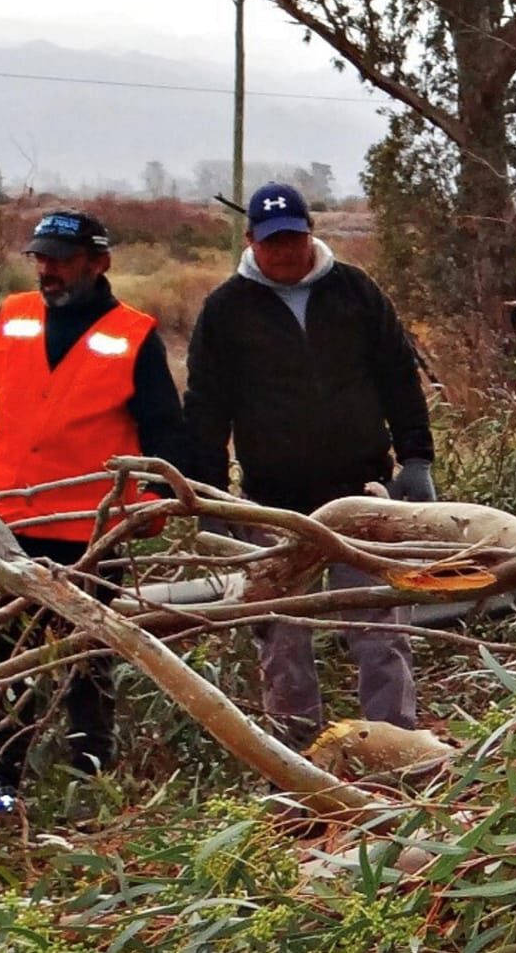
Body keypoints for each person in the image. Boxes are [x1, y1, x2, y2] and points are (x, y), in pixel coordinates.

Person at [183, 181, 437, 745]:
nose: (285, 251)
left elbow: (399, 376)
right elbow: (205, 407)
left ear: (310, 233)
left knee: (380, 629)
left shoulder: (355, 292)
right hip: (273, 504)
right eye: (272, 242)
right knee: (283, 637)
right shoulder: (226, 310)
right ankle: (300, 760)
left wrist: (416, 459)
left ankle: (395, 747)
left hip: (362, 494)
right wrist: (208, 497)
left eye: (294, 238)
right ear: (251, 240)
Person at [0, 210, 185, 812]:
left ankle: (89, 781)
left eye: (60, 258)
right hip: (6, 523)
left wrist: (157, 501)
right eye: (41, 258)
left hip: (89, 531)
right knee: (8, 661)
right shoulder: (10, 317)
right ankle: (2, 782)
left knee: (87, 659)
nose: (48, 270)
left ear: (98, 262)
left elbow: (164, 430)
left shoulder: (135, 334)